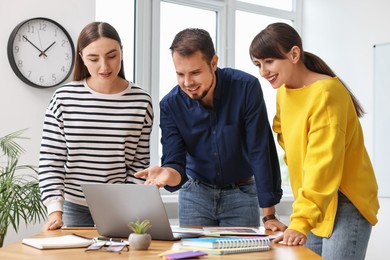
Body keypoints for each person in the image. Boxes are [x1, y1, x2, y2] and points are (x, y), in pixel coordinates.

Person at [249, 22, 379, 259]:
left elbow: (324, 164)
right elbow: (287, 141)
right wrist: (305, 209)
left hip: (344, 199)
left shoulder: (327, 94)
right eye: (258, 64)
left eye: (269, 62)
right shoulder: (284, 93)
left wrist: (301, 220)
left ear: (294, 54)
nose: (263, 72)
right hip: (313, 200)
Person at [135, 28, 286, 230]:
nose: (187, 83)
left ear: (213, 63)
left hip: (242, 194)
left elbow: (260, 150)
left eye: (195, 72)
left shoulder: (246, 88)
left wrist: (269, 216)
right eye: (180, 74)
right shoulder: (170, 105)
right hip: (195, 195)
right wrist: (166, 173)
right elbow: (175, 163)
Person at [39, 22, 153, 230]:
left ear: (122, 52)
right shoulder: (64, 98)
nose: (104, 66)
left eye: (112, 56)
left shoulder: (141, 100)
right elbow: (51, 160)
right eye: (93, 58)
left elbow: (139, 164)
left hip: (119, 207)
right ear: (81, 57)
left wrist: (126, 206)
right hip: (73, 207)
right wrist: (55, 211)